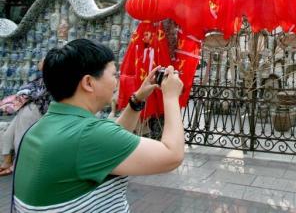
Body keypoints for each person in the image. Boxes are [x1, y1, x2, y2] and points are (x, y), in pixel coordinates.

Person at [13, 39, 184, 212]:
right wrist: (170, 97)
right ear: (88, 83)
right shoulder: (87, 135)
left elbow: (113, 143)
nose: (116, 82)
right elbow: (172, 155)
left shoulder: (43, 127)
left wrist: (138, 99)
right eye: (113, 75)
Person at [0, 60, 51, 176]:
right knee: (8, 134)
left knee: (21, 138)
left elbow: (38, 94)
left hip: (34, 108)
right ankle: (7, 162)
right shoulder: (43, 77)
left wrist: (25, 93)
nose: (39, 64)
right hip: (26, 107)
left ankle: (19, 167)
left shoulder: (52, 78)